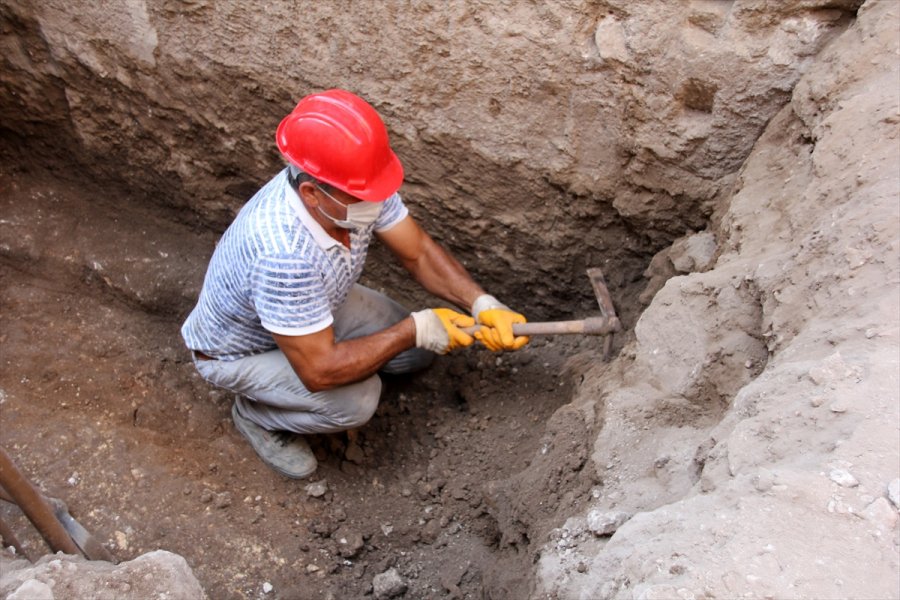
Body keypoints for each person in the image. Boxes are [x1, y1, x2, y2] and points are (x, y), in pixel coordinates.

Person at [181, 89, 528, 479]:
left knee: (415, 355)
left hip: (315, 306)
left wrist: (481, 302)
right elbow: (320, 371)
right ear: (312, 193)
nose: (377, 202)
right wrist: (414, 329)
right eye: (365, 195)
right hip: (243, 351)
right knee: (357, 400)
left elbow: (418, 253)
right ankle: (256, 414)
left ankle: (370, 346)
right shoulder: (283, 254)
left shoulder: (353, 186)